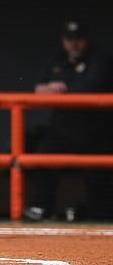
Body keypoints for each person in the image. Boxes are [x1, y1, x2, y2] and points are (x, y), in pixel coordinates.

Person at [24, 20, 113, 222]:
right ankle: (42, 207)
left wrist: (61, 88)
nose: (74, 44)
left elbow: (92, 86)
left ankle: (94, 213)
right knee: (43, 157)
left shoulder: (100, 58)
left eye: (78, 39)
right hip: (63, 129)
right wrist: (46, 87)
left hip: (96, 131)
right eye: (69, 39)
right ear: (64, 40)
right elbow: (37, 85)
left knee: (98, 179)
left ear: (86, 39)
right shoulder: (58, 58)